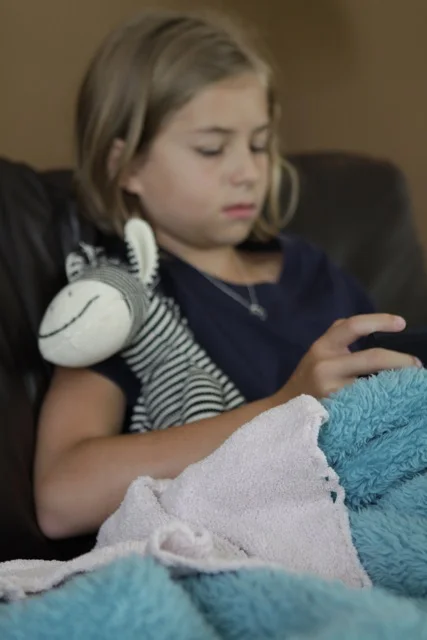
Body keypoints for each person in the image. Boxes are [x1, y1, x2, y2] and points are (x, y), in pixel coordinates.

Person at [34, 9, 419, 541]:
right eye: (211, 149)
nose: (247, 171)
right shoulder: (121, 299)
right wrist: (282, 409)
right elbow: (61, 496)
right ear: (126, 166)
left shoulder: (314, 271)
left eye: (259, 144)